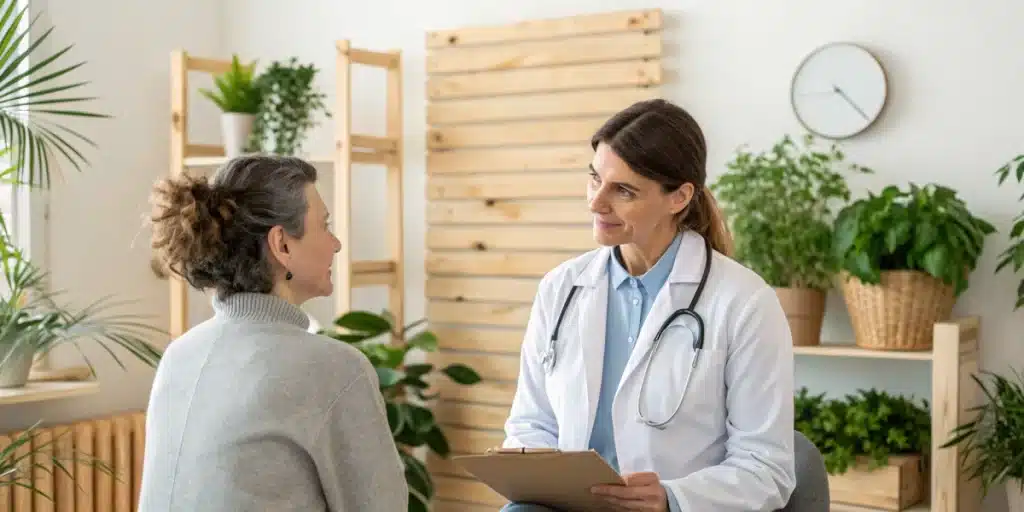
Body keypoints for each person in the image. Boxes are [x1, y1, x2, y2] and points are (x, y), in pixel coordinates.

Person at [501, 99, 796, 512]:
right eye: (594, 179)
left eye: (623, 190)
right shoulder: (561, 288)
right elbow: (532, 422)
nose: (595, 203)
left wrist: (672, 498)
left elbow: (767, 469)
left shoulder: (744, 303)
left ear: (678, 197)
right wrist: (529, 462)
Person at [138, 155, 407, 511]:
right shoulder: (336, 369)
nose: (336, 244)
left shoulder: (180, 355)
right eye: (324, 226)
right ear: (282, 245)